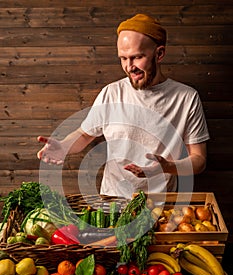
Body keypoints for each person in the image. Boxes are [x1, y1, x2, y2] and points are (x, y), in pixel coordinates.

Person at [37, 14, 209, 198]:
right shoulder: (111, 93)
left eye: (137, 57)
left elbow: (199, 160)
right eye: (123, 58)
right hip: (112, 202)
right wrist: (63, 146)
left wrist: (168, 167)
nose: (129, 67)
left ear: (159, 54)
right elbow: (85, 134)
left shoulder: (186, 98)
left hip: (162, 204)